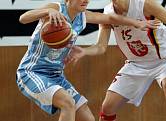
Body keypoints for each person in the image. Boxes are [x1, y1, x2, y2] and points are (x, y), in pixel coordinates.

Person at [16, 0, 158, 121]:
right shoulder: (56, 8)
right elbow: (23, 18)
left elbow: (109, 19)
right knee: (67, 103)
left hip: (56, 75)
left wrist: (136, 23)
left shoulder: (82, 16)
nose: (86, 0)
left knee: (87, 118)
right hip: (32, 72)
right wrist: (47, 11)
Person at [65, 0, 166, 121]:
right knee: (107, 108)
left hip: (164, 59)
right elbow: (101, 46)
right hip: (136, 63)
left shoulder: (144, 4)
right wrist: (84, 51)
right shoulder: (108, 12)